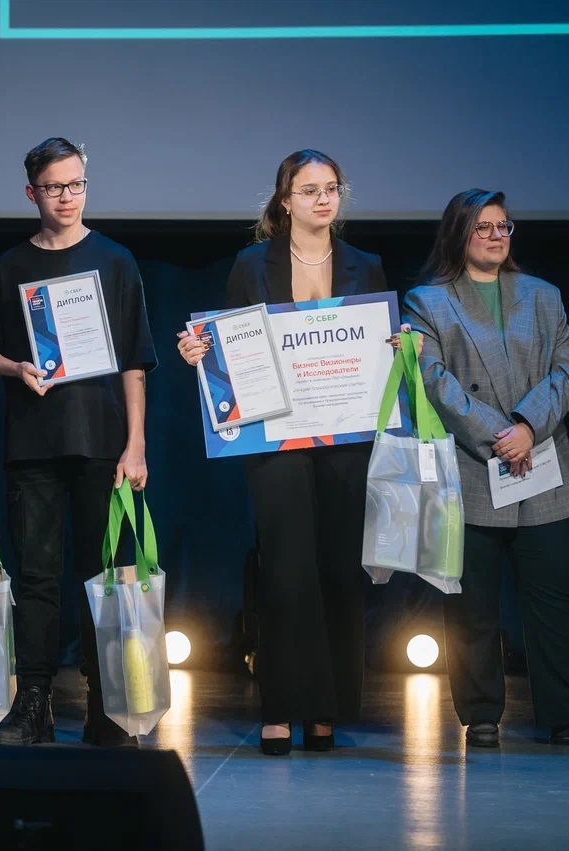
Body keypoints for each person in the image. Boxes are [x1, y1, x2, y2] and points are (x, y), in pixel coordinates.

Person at [403, 189, 569, 749]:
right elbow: (433, 383)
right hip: (472, 466)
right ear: (458, 233)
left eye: (503, 226)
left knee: (556, 602)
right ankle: (481, 716)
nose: (495, 236)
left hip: (543, 466)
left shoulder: (543, 295)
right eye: (482, 227)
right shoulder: (427, 302)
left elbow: (567, 372)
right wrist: (500, 436)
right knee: (472, 607)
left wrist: (528, 427)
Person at [177, 150, 386, 755]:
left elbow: (377, 344)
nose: (323, 199)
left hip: (343, 437)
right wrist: (200, 352)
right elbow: (227, 344)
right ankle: (279, 708)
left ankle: (323, 711)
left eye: (332, 188)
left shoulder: (366, 265)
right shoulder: (252, 265)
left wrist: (399, 346)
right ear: (285, 200)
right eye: (310, 190)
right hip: (276, 438)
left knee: (337, 568)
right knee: (286, 569)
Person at [0, 137, 157, 748]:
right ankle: (34, 702)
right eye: (54, 187)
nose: (67, 197)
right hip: (33, 443)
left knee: (103, 574)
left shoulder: (115, 260)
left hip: (103, 443)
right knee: (35, 577)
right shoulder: (11, 266)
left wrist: (135, 444)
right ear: (31, 192)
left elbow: (134, 361)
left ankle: (108, 704)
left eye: (76, 184)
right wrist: (16, 368)